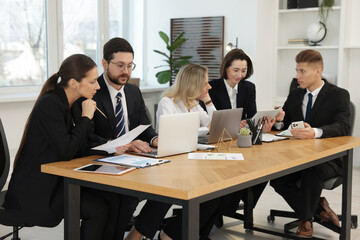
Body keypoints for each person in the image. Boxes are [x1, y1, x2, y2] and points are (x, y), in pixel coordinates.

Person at [3, 54, 128, 240]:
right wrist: (87, 118)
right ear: (74, 83)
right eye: (93, 81)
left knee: (114, 198)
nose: (98, 86)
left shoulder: (73, 103)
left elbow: (81, 144)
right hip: (37, 189)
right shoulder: (50, 105)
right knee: (97, 209)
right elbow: (68, 150)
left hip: (56, 181)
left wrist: (112, 147)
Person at [73, 37, 170, 240]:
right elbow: (87, 136)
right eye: (120, 65)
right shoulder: (91, 91)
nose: (126, 71)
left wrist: (154, 140)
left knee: (170, 188)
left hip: (131, 160)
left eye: (130, 65)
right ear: (105, 63)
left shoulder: (133, 91)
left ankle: (135, 235)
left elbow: (145, 126)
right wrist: (125, 144)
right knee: (127, 198)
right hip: (102, 161)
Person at [269, 49, 350, 238]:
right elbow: (287, 125)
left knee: (313, 170)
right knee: (277, 179)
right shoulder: (296, 95)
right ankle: (319, 209)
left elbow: (343, 126)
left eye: (302, 71)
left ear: (318, 71)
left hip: (330, 158)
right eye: (297, 71)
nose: (297, 76)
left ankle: (306, 220)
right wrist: (279, 121)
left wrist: (315, 132)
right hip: (299, 156)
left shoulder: (338, 95)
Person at [157, 63, 239, 240]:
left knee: (224, 196)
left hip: (193, 160)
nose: (209, 87)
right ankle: (169, 234)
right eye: (205, 84)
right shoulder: (168, 103)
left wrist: (208, 100)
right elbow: (173, 135)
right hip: (175, 164)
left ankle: (199, 233)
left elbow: (218, 125)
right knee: (210, 197)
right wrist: (203, 129)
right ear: (193, 84)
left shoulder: (193, 104)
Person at [206, 48, 267, 229]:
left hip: (240, 140)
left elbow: (252, 115)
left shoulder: (249, 87)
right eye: (236, 70)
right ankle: (219, 207)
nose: (240, 75)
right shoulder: (212, 87)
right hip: (219, 141)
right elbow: (211, 118)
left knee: (263, 170)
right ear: (226, 69)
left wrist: (247, 123)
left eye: (244, 70)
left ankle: (226, 206)